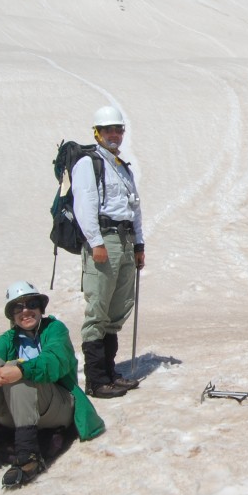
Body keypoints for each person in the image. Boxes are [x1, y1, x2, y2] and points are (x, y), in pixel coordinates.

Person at [0, 281, 105, 489]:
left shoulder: (55, 329)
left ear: (40, 308)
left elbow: (55, 362)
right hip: (18, 410)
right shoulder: (9, 339)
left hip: (57, 407)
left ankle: (28, 456)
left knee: (20, 370)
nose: (25, 311)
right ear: (12, 315)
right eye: (18, 307)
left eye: (31, 304)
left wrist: (21, 370)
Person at [72, 106, 146, 398]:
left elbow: (134, 209)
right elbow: (85, 205)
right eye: (108, 130)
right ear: (97, 133)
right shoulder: (88, 164)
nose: (114, 135)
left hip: (126, 241)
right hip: (105, 240)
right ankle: (96, 379)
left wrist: (139, 245)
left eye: (118, 130)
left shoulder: (121, 167)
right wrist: (95, 243)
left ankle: (110, 372)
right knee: (98, 308)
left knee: (117, 308)